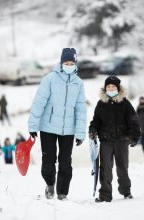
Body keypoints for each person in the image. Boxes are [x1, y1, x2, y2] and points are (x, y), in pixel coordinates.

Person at [28, 48, 87, 200]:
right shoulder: (49, 79)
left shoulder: (78, 83)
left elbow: (81, 110)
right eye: (66, 62)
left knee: (65, 162)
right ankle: (49, 183)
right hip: (48, 127)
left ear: (75, 64)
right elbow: (38, 103)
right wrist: (33, 126)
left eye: (71, 63)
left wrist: (80, 133)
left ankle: (62, 193)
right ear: (61, 63)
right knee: (48, 160)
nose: (69, 65)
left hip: (68, 130)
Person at [89, 76, 141, 203]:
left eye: (113, 87)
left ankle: (125, 190)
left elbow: (133, 121)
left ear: (118, 88)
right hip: (106, 141)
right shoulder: (101, 104)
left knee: (122, 166)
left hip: (122, 140)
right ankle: (105, 195)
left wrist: (134, 136)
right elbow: (96, 121)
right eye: (108, 87)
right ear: (105, 89)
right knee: (105, 168)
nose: (111, 89)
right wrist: (93, 129)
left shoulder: (125, 103)